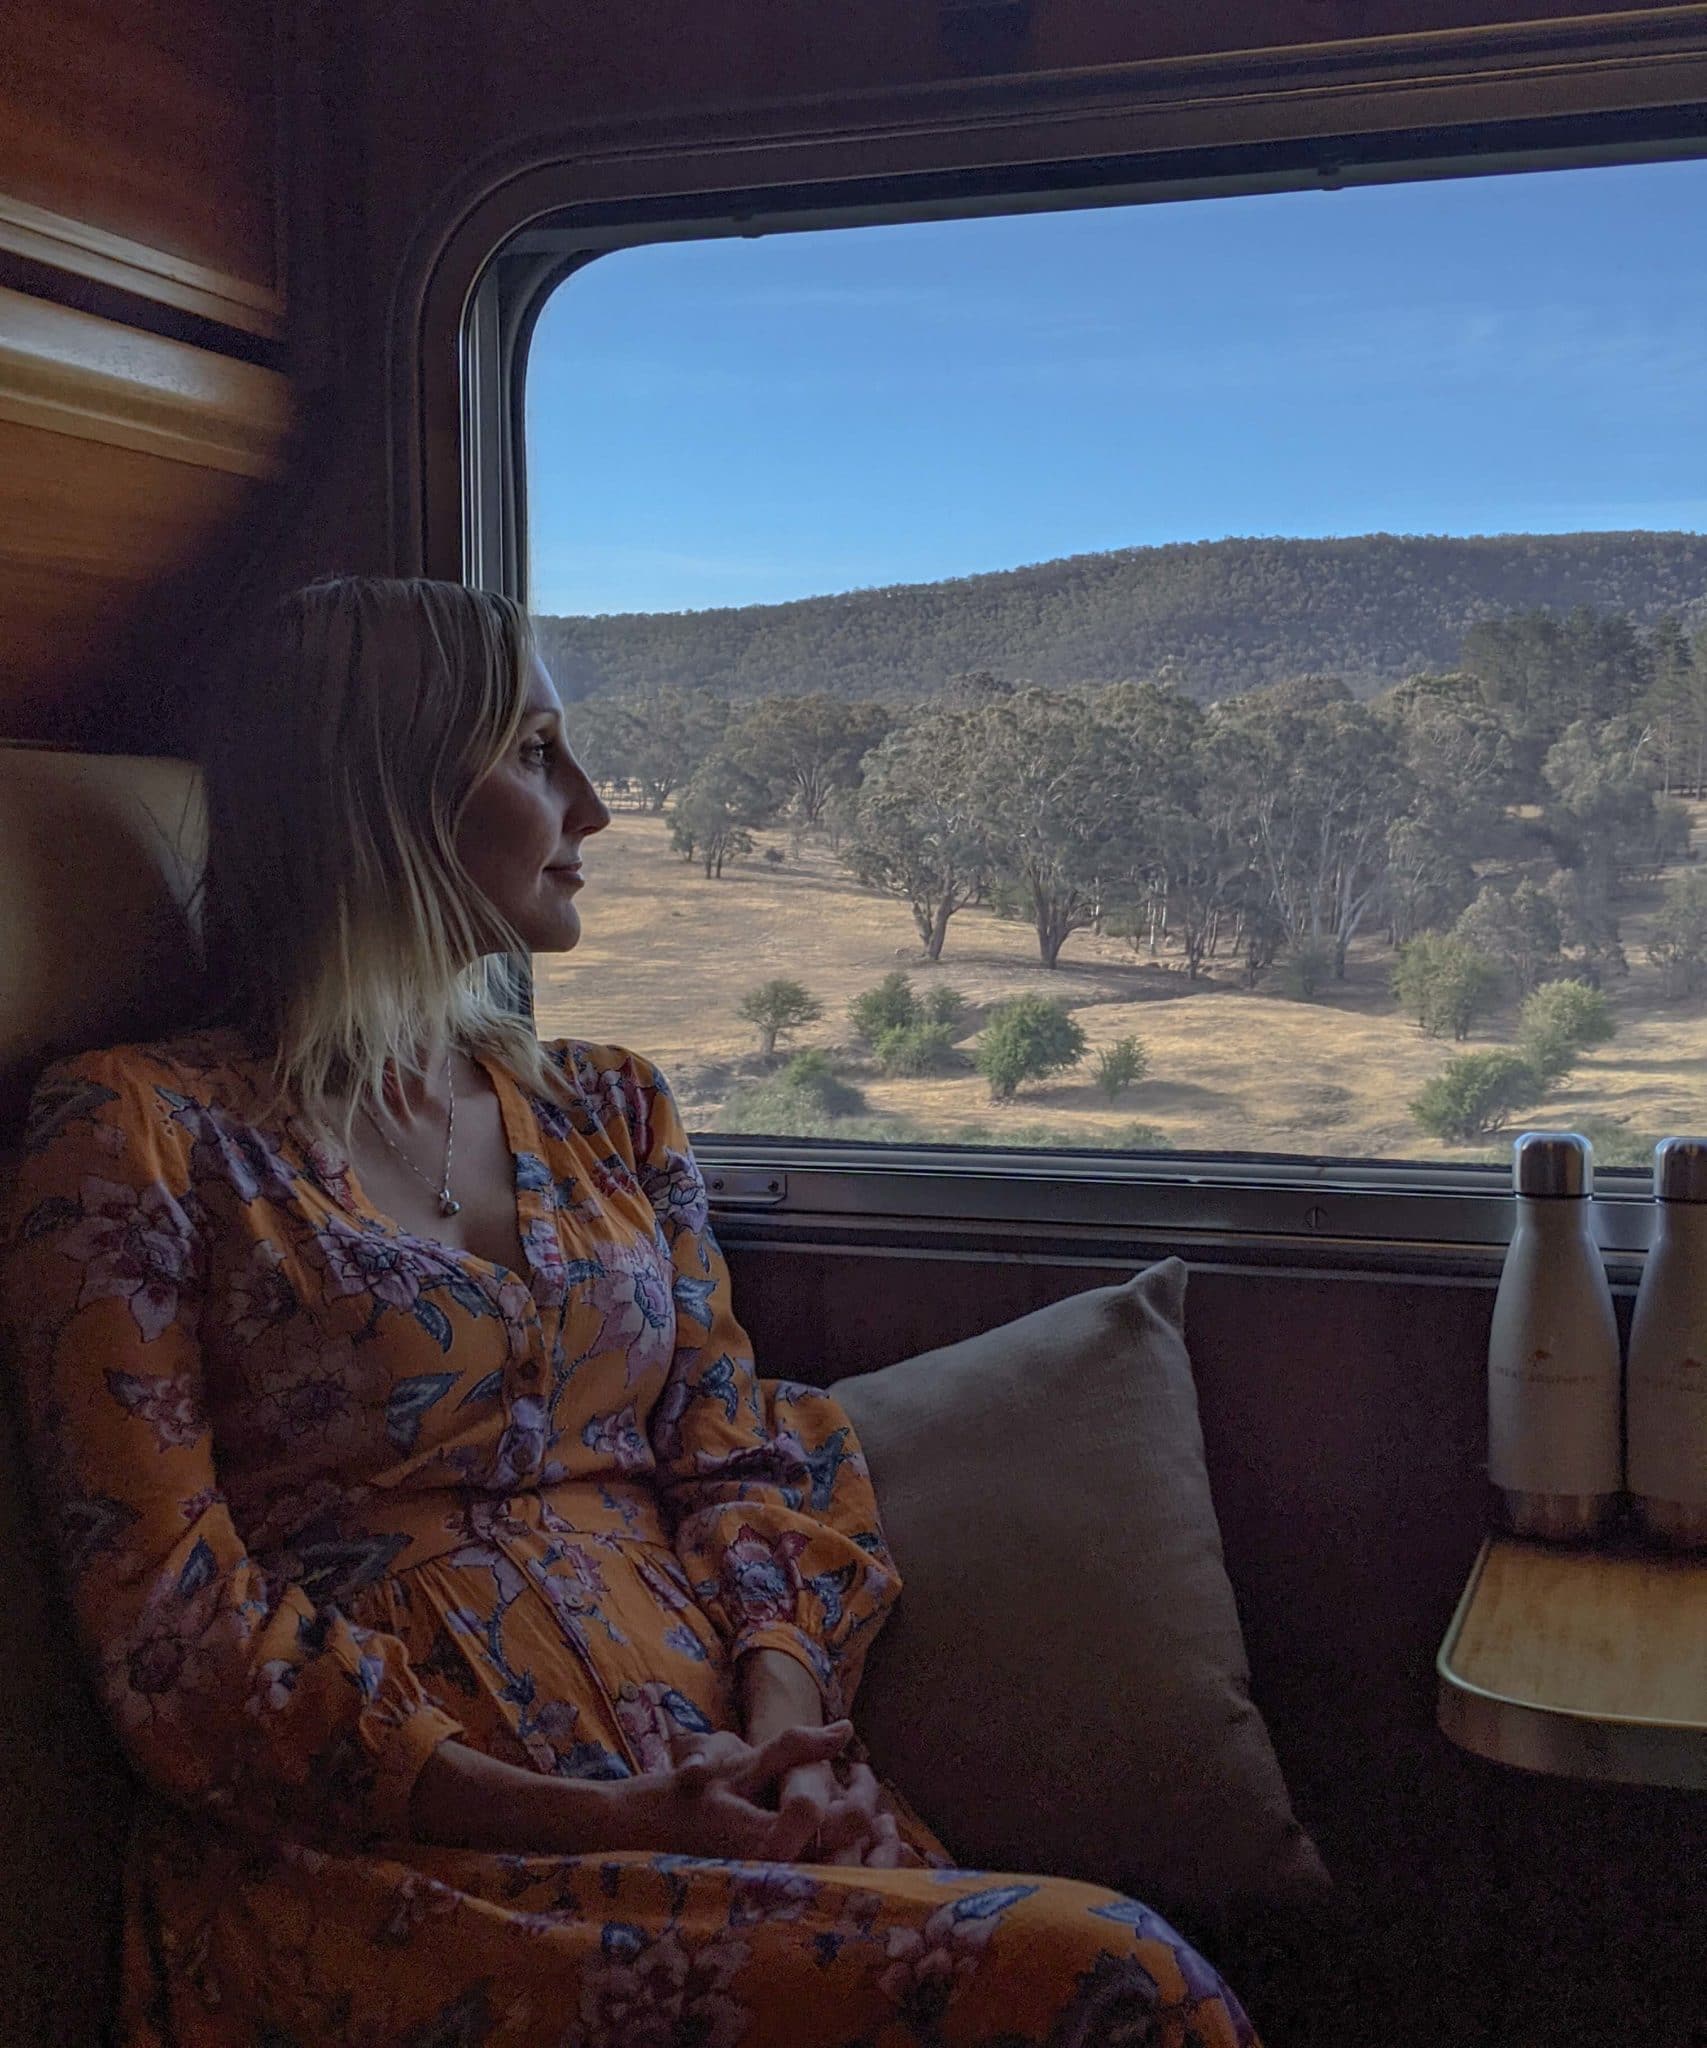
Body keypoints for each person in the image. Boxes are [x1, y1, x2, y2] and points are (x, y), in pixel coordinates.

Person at [2, 578, 1259, 2046]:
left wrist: (787, 1742)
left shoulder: (607, 1105)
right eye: (537, 753)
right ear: (383, 796)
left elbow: (733, 1450)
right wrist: (576, 1815)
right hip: (398, 1868)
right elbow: (172, 1631)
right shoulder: (136, 1136)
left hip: (724, 1802)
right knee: (1124, 1984)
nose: (593, 808)